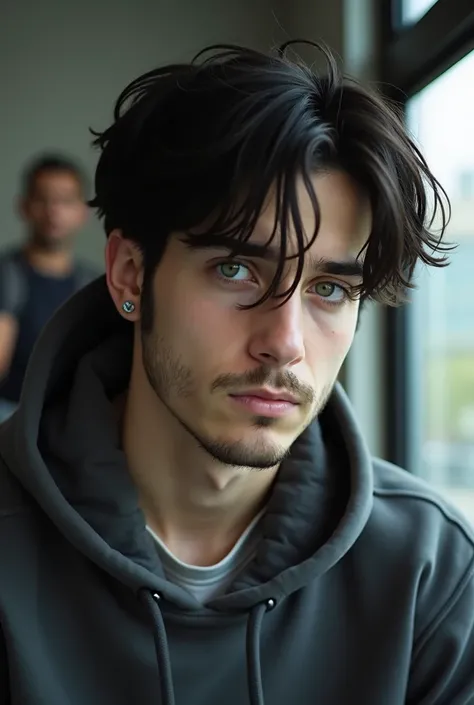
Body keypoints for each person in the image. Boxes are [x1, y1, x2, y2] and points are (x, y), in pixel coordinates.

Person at [0, 42, 472, 705]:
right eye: (236, 270)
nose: (284, 343)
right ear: (130, 274)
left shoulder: (430, 572)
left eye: (330, 290)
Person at [0, 154, 99, 421]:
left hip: (67, 416)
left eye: (66, 201)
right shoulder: (7, 275)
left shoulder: (93, 285)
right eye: (42, 199)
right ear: (23, 206)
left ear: (83, 212)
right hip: (10, 412)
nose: (53, 211)